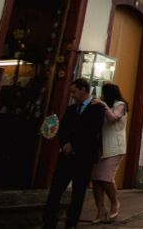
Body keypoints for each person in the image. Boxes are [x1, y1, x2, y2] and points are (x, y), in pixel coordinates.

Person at [43, 78, 105, 229]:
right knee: (56, 189)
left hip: (84, 157)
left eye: (74, 92)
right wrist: (64, 144)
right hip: (66, 156)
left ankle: (71, 223)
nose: (72, 95)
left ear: (83, 90)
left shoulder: (97, 108)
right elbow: (63, 129)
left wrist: (74, 145)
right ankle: (49, 222)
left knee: (78, 192)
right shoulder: (71, 109)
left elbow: (92, 131)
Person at [90, 83, 128, 223]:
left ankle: (114, 203)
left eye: (104, 93)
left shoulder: (120, 105)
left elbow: (112, 118)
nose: (102, 95)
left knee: (105, 177)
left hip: (114, 147)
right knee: (96, 179)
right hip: (101, 147)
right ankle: (100, 210)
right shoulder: (105, 105)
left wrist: (103, 105)